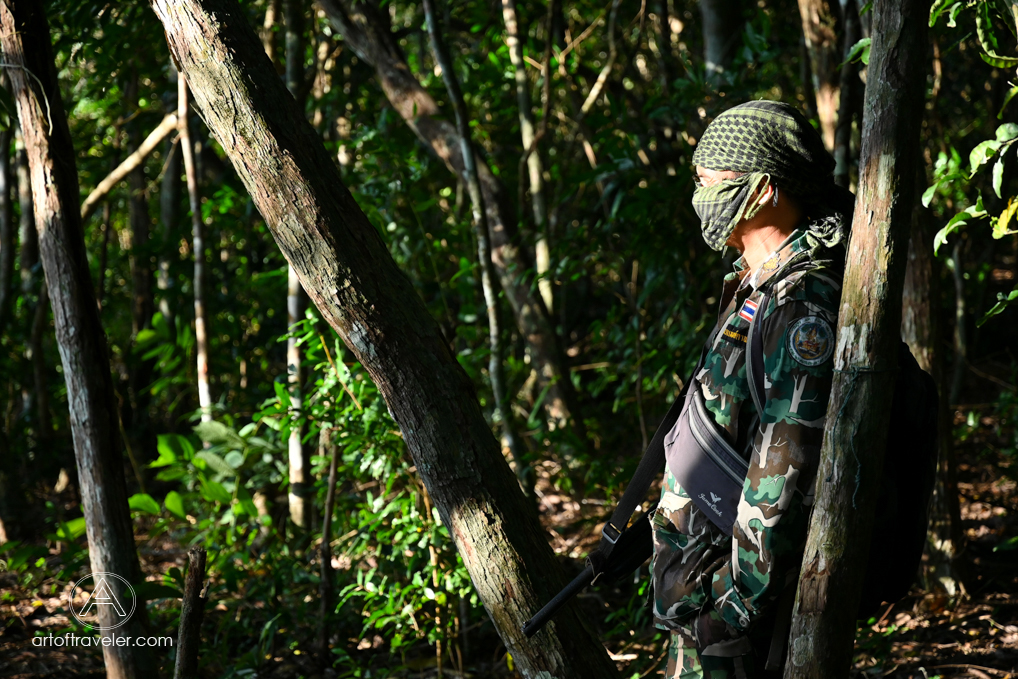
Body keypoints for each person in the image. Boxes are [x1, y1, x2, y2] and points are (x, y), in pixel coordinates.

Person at [651, 100, 856, 678]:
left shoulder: (801, 304)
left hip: (735, 621)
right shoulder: (755, 285)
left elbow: (783, 471)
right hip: (702, 594)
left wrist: (732, 607)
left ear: (763, 189)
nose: (699, 194)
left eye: (710, 181)